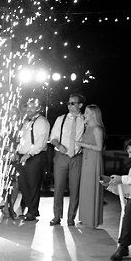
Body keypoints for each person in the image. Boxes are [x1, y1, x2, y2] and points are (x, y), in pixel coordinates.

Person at [48, 93, 86, 226]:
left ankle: (71, 218)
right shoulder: (61, 119)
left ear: (80, 105)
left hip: (77, 157)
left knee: (75, 188)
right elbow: (52, 137)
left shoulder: (85, 120)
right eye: (68, 103)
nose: (69, 106)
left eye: (72, 103)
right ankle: (57, 216)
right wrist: (58, 145)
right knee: (58, 187)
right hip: (61, 156)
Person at [15, 96, 49, 221]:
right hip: (23, 156)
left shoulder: (42, 122)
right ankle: (31, 208)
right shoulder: (26, 121)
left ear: (38, 108)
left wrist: (28, 154)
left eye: (32, 107)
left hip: (34, 157)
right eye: (28, 107)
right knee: (23, 184)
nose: (28, 109)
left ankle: (32, 211)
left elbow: (40, 142)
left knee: (33, 185)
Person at [76, 104, 105, 228]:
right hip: (86, 158)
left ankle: (92, 219)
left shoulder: (97, 129)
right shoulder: (87, 127)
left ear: (93, 115)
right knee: (85, 188)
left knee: (92, 187)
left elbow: (99, 147)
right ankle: (84, 217)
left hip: (94, 159)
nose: (84, 114)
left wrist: (82, 144)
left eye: (87, 113)